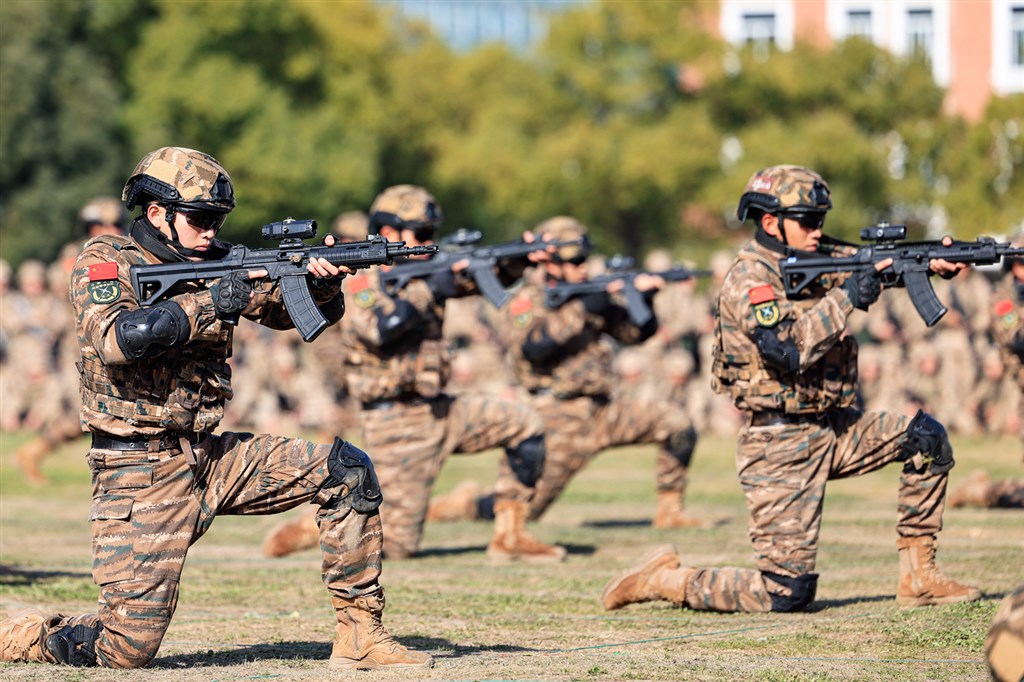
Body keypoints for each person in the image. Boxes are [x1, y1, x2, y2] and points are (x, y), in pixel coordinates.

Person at [0, 147, 431, 671]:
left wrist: (321, 282)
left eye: (217, 220)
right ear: (158, 214)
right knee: (125, 650)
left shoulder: (216, 259)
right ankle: (20, 634)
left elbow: (286, 314)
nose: (211, 231)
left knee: (346, 471)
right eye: (200, 218)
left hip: (212, 454)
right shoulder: (107, 260)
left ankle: (361, 634)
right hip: (137, 471)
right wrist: (210, 302)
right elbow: (118, 338)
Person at [601, 164, 980, 614]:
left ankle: (918, 576)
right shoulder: (750, 280)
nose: (818, 231)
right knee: (786, 593)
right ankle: (664, 579)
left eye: (821, 220)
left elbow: (875, 266)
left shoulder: (814, 256)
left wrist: (932, 263)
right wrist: (848, 298)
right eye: (808, 221)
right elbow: (788, 350)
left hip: (832, 426)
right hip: (778, 444)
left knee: (926, 439)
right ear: (769, 223)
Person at [263, 184, 565, 563]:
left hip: (441, 409)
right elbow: (380, 329)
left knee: (525, 424)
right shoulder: (359, 276)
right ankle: (313, 525)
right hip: (397, 422)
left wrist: (520, 258)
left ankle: (510, 535)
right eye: (421, 234)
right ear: (389, 233)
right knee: (398, 545)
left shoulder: (424, 273)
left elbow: (482, 277)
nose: (428, 242)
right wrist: (427, 290)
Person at [429, 217, 704, 529]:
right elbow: (534, 346)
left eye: (584, 260)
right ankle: (465, 504)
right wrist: (584, 308)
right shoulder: (525, 299)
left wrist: (643, 298)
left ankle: (671, 511)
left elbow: (633, 333)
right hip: (558, 416)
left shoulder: (590, 295)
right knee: (527, 509)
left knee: (678, 424)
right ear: (552, 264)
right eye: (574, 261)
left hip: (604, 410)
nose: (582, 268)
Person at [15, 197, 129, 484]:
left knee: (103, 411)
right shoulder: (75, 255)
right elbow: (62, 287)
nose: (108, 229)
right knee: (89, 410)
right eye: (99, 224)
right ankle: (34, 451)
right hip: (79, 348)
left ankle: (35, 451)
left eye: (114, 223)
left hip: (117, 343)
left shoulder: (127, 252)